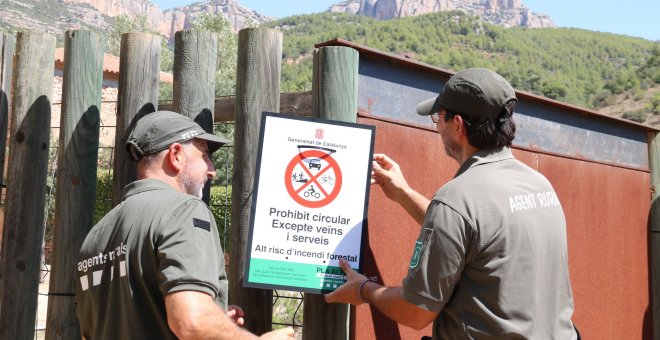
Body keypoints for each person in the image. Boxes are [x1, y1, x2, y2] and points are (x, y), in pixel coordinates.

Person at [325, 68, 579, 339]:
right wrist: (403, 193)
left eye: (439, 117)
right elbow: (476, 238)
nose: (436, 125)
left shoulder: (456, 199)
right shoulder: (539, 185)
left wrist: (364, 290)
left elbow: (416, 311)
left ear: (457, 125)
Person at [75, 111, 294, 340]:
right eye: (205, 156)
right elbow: (190, 322)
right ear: (176, 155)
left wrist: (215, 323)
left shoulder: (96, 234)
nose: (212, 170)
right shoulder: (183, 210)